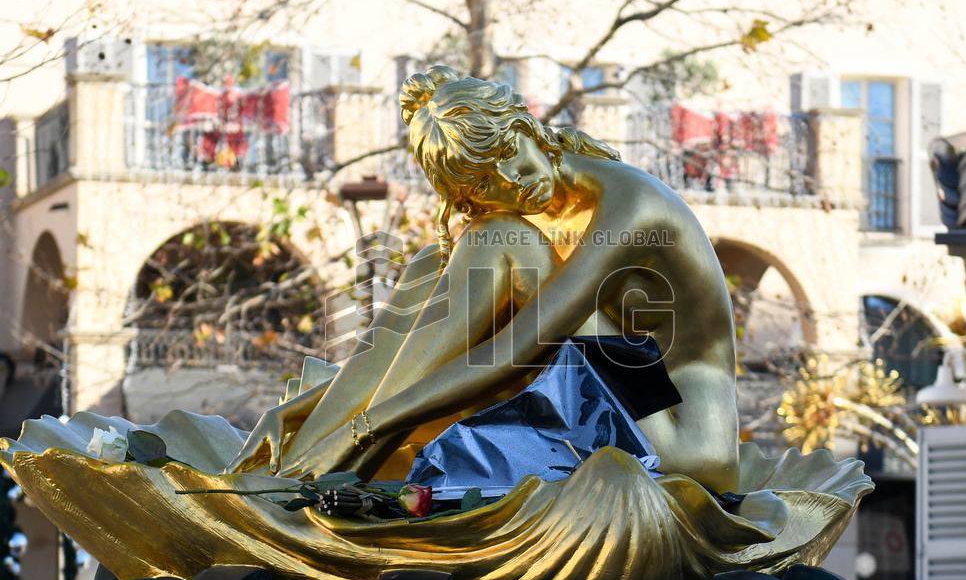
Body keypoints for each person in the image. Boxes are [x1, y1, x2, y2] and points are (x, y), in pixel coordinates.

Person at [227, 65, 739, 493]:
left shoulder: (632, 203)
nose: (512, 182)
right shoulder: (536, 210)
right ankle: (306, 455)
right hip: (605, 402)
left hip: (679, 440)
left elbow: (518, 346)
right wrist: (299, 412)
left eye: (507, 153)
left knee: (498, 238)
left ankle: (332, 464)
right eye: (485, 183)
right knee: (432, 263)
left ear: (526, 125)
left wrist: (365, 428)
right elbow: (420, 342)